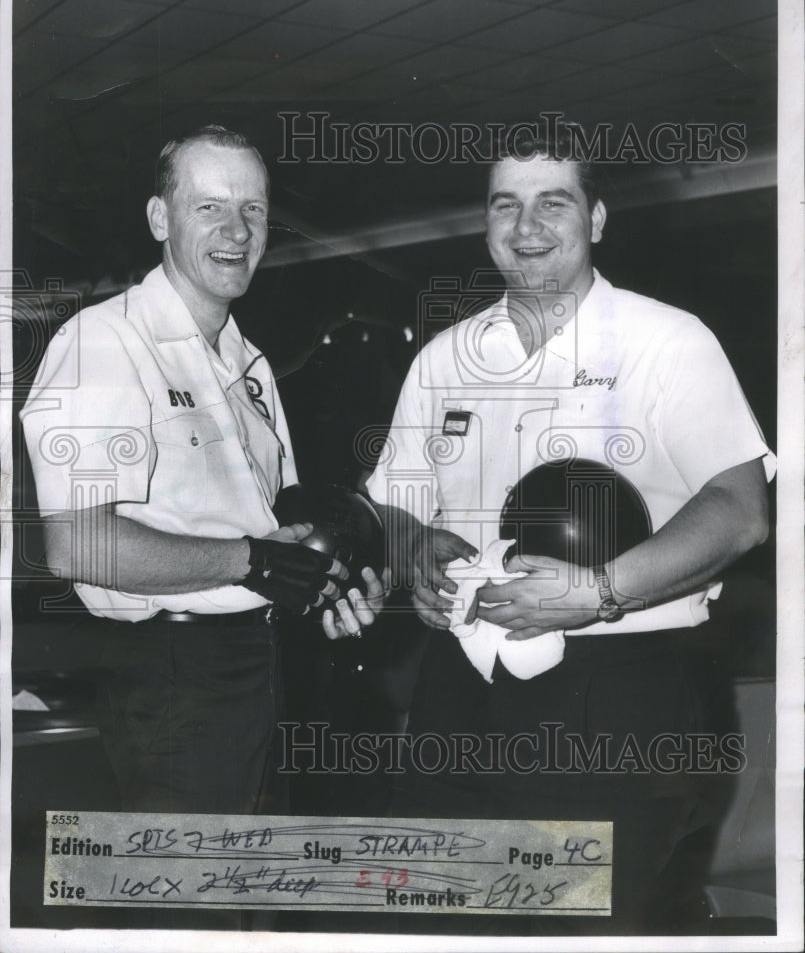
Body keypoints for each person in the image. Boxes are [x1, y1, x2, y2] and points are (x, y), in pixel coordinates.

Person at [364, 122, 774, 934]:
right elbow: (392, 500)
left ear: (596, 218)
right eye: (504, 205)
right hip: (456, 691)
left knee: (584, 930)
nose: (526, 226)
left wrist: (598, 592)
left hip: (614, 692)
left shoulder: (667, 342)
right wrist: (413, 546)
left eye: (553, 201)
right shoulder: (444, 358)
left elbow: (738, 511)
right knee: (452, 919)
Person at [21, 125, 384, 817]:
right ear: (161, 218)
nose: (237, 230)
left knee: (256, 904)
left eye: (253, 208)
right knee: (194, 901)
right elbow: (77, 545)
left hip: (266, 660)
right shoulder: (106, 340)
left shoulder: (249, 364)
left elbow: (272, 531)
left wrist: (325, 582)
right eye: (209, 206)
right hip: (172, 676)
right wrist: (251, 562)